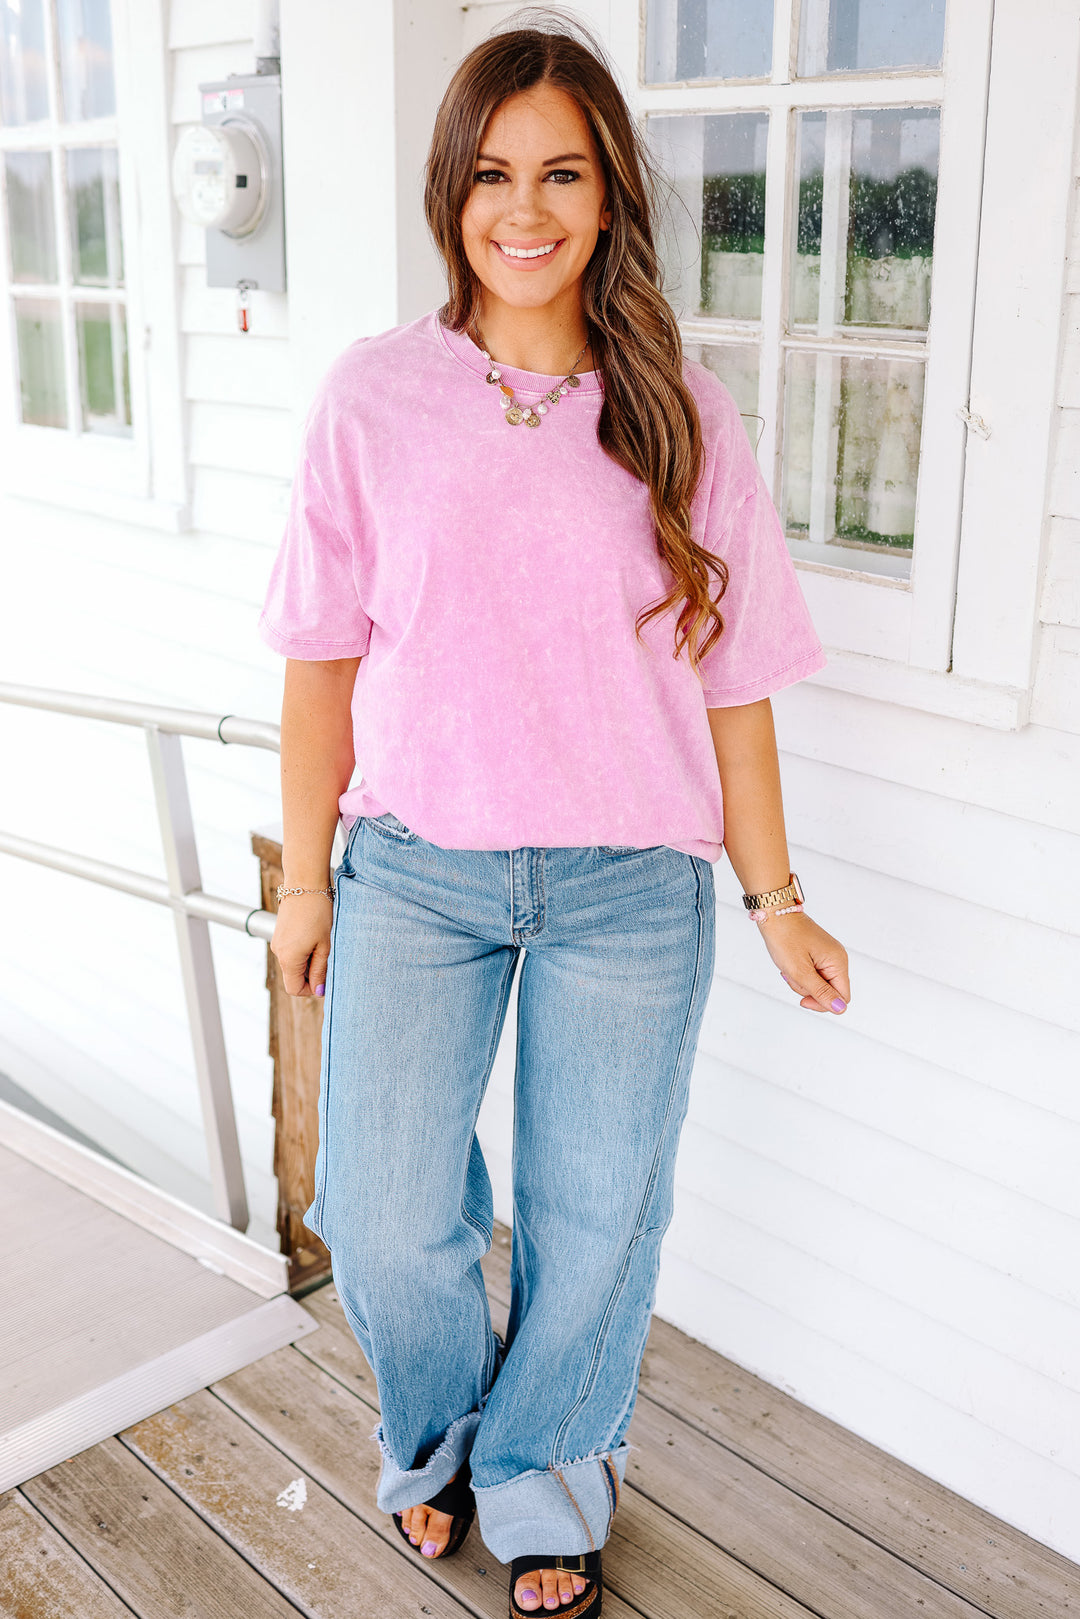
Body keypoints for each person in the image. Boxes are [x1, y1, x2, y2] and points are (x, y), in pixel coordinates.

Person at [259, 17, 850, 1619]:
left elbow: (736, 686)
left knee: (595, 1219)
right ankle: (440, 1434)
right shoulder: (375, 398)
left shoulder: (682, 413)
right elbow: (319, 665)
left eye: (563, 174)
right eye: (493, 175)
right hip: (417, 875)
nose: (525, 209)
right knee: (383, 1216)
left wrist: (776, 897)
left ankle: (544, 1472)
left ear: (610, 195)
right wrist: (306, 884)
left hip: (629, 889)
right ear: (450, 193)